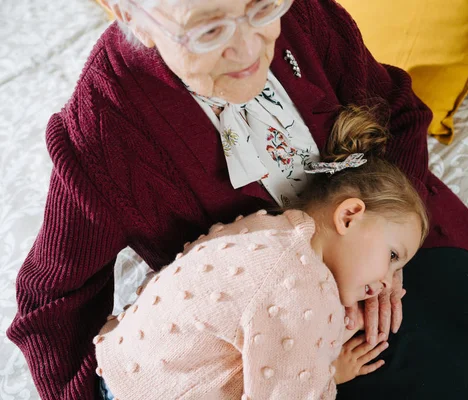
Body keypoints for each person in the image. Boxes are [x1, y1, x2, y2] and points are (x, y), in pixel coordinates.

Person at [8, 0, 468, 398]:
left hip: (380, 234)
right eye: (207, 30)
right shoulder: (103, 133)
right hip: (280, 319)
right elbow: (51, 301)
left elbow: (398, 111)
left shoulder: (302, 13)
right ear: (128, 12)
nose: (250, 48)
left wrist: (385, 257)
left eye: (262, 7)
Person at [94, 106, 429, 399]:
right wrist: (330, 376)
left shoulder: (269, 228)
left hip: (126, 365)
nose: (390, 283)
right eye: (393, 258)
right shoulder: (305, 290)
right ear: (348, 216)